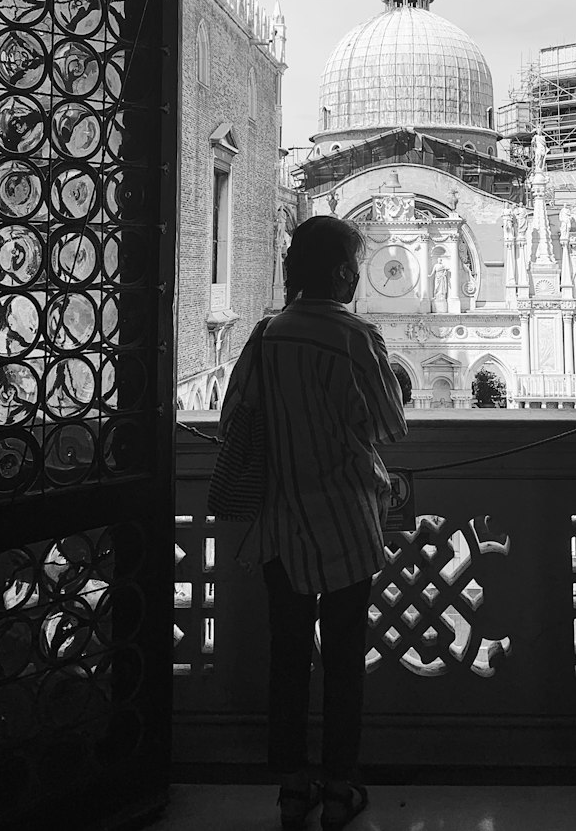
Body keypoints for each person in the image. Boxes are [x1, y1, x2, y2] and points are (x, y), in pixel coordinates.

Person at [244, 215, 406, 830]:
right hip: (346, 527)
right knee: (344, 662)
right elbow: (393, 427)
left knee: (286, 660)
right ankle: (340, 789)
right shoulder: (357, 338)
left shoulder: (267, 334)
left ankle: (292, 790)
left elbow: (240, 415)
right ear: (342, 273)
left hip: (280, 526)